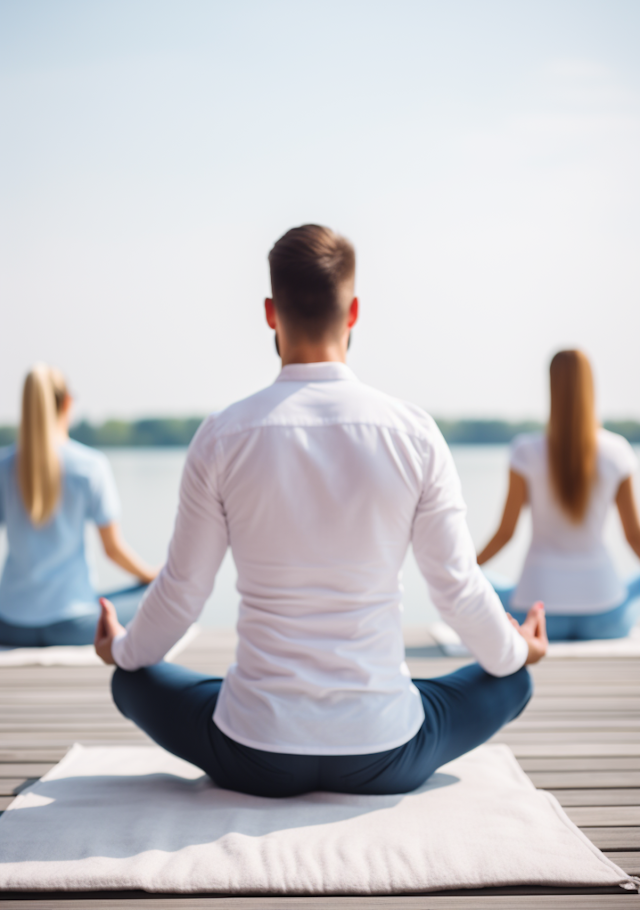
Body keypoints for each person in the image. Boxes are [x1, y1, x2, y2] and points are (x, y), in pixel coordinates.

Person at [96, 225, 546, 799]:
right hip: (386, 752)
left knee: (133, 682)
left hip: (252, 754)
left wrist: (122, 648)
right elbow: (456, 589)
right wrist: (518, 650)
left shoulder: (222, 435)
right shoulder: (415, 434)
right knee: (513, 681)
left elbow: (185, 591)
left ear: (269, 312)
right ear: (354, 311)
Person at [478, 350, 640, 640]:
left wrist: (466, 568)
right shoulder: (618, 452)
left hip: (537, 614)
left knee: (478, 580)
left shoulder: (525, 451)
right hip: (604, 614)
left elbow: (505, 534)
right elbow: (634, 538)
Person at [0, 365, 157, 646]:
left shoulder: (3, 466)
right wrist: (152, 576)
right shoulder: (89, 467)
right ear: (67, 402)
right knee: (159, 592)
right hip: (74, 625)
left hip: (9, 625)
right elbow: (112, 550)